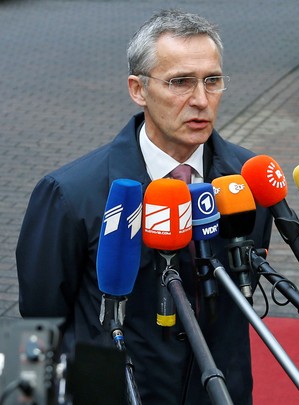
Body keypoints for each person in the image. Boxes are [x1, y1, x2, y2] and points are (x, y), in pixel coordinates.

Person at [16, 9, 272, 404]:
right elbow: (39, 323)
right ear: (138, 89)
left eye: (212, 81)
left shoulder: (245, 180)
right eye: (180, 82)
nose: (201, 100)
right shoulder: (69, 193)